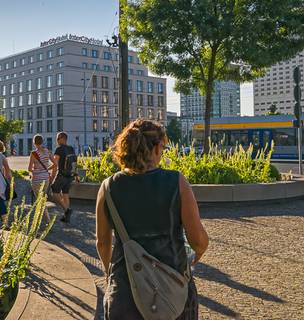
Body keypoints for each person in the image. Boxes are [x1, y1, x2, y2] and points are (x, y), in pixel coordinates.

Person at [95, 119, 209, 320]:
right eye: (163, 147)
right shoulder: (177, 181)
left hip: (124, 291)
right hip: (172, 290)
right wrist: (197, 254)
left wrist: (110, 273)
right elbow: (198, 240)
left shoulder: (108, 187)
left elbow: (103, 242)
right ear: (156, 148)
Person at [28, 134, 56, 223]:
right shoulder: (47, 152)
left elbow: (29, 169)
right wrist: (47, 169)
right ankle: (39, 219)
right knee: (42, 198)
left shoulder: (33, 153)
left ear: (34, 143)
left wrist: (35, 170)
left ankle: (47, 220)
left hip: (37, 179)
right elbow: (55, 164)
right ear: (42, 142)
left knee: (40, 200)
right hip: (46, 178)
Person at [50, 132, 77, 223]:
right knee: (65, 194)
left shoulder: (59, 149)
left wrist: (52, 177)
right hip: (70, 175)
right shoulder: (71, 148)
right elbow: (74, 163)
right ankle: (66, 217)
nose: (57, 140)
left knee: (55, 193)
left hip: (61, 175)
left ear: (63, 139)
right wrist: (76, 175)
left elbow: (55, 165)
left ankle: (67, 209)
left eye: (58, 138)